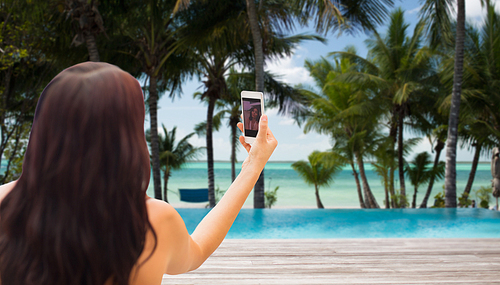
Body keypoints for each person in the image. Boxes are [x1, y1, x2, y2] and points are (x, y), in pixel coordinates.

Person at [0, 62, 277, 285]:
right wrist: (253, 166)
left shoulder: (4, 204)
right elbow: (198, 250)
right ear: (127, 137)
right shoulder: (152, 221)